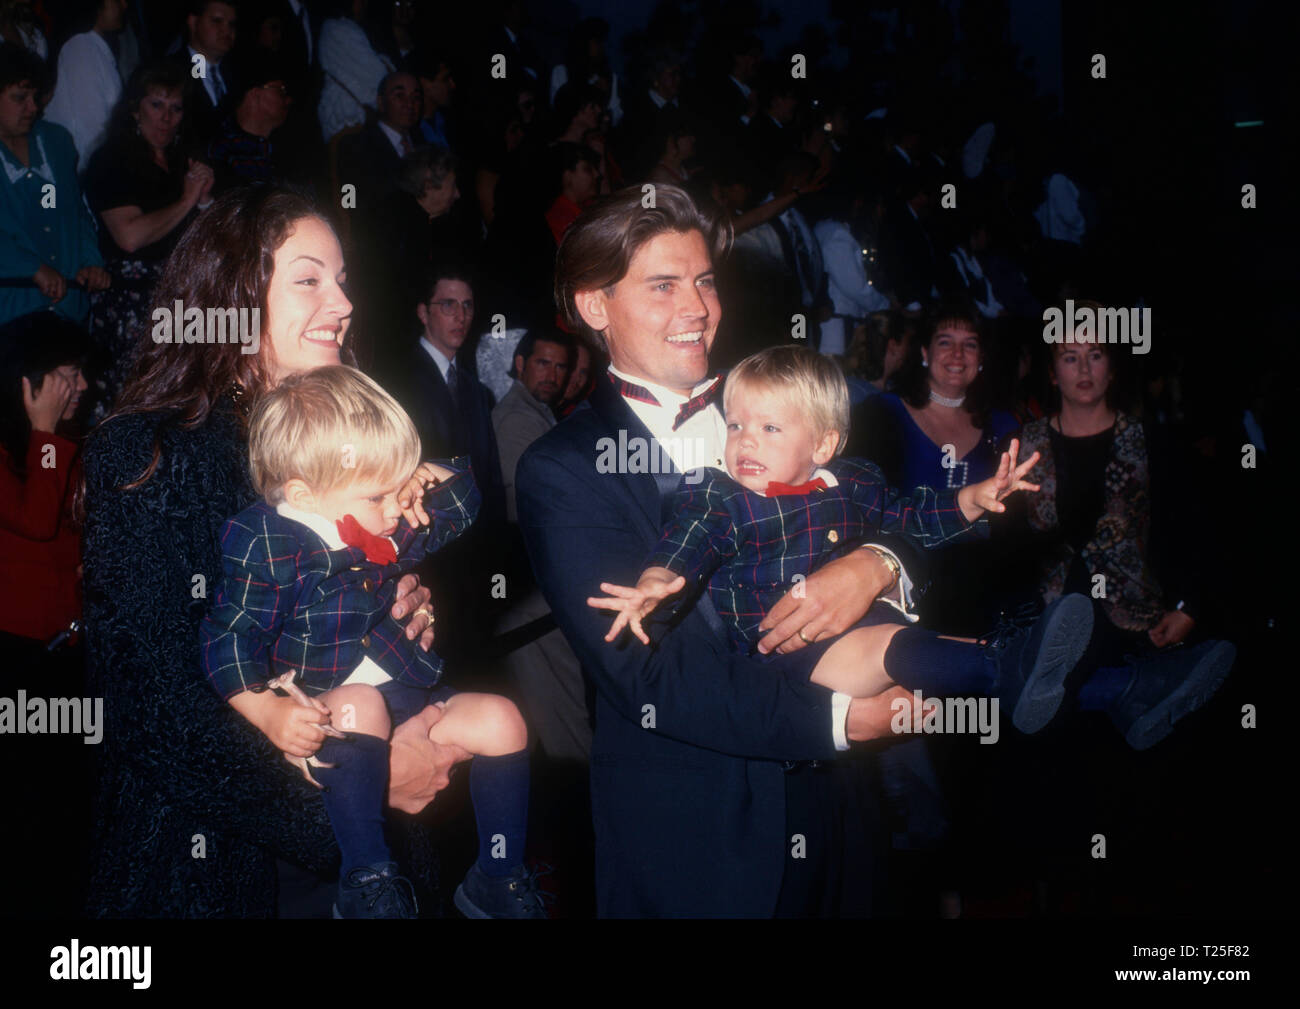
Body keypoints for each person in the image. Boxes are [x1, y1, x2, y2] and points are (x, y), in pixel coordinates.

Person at [517, 184, 931, 917]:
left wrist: (877, 565)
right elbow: (650, 673)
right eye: (664, 284)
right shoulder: (562, 468)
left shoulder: (781, 406)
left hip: (842, 814)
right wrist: (839, 719)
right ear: (593, 306)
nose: (698, 307)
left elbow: (896, 516)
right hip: (699, 842)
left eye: (705, 280)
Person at [80, 187, 461, 917]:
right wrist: (362, 810)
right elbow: (154, 713)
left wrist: (398, 616)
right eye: (310, 278)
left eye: (343, 279)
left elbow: (343, 637)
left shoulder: (359, 448)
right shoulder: (147, 454)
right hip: (214, 861)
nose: (343, 302)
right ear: (232, 295)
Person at [201, 365, 547, 917]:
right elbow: (227, 643)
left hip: (407, 689)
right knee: (360, 705)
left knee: (503, 718)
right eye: (378, 495)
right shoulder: (267, 542)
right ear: (303, 494)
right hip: (332, 708)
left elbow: (464, 503)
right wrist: (267, 714)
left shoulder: (380, 517)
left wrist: (418, 477)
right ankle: (367, 878)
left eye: (399, 488)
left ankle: (496, 876)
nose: (395, 511)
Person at [1015, 302, 1236, 748]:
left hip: (1133, 621)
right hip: (1047, 621)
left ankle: (1142, 686)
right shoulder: (1024, 446)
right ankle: (1142, 689)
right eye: (1069, 356)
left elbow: (1197, 526)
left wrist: (1189, 607)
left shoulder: (1150, 440)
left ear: (1112, 368)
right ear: (1053, 372)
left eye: (1094, 354)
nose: (1083, 367)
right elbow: (1008, 546)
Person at [84, 61, 213, 417]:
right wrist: (187, 200)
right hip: (131, 296)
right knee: (135, 407)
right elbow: (129, 237)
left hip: (183, 295)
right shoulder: (110, 160)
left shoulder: (182, 163)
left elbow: (208, 241)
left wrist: (203, 202)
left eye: (175, 108)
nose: (166, 118)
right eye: (156, 105)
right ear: (134, 108)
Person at [0, 42, 109, 326]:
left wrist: (91, 261)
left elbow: (76, 213)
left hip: (69, 305)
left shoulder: (56, 142)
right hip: (11, 307)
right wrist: (31, 267)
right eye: (19, 97)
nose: (32, 108)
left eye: (35, 97)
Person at [0, 311, 90, 649]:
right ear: (29, 381)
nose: (82, 385)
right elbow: (38, 522)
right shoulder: (46, 444)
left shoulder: (63, 442)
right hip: (15, 641)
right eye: (71, 375)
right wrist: (44, 433)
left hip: (62, 635)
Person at [42, 0, 126, 169]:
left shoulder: (93, 46)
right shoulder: (80, 47)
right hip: (88, 171)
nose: (124, 5)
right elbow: (92, 130)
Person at [206, 52, 294, 192]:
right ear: (255, 94)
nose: (288, 100)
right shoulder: (223, 150)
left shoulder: (288, 147)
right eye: (280, 90)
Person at [317, 0, 394, 142]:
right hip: (347, 121)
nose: (365, 4)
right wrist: (384, 62)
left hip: (355, 121)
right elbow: (381, 76)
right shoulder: (338, 28)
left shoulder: (350, 28)